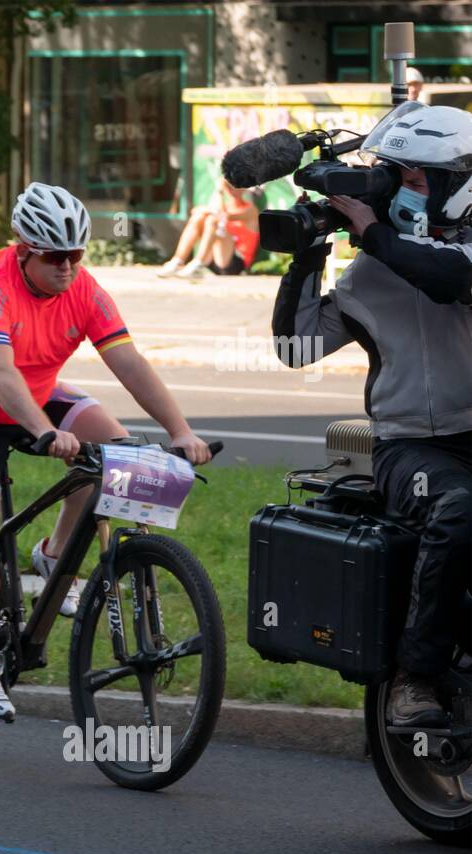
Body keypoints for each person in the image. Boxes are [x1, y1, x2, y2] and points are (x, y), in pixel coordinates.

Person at [0, 182, 212, 722]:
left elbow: (128, 363)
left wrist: (179, 431)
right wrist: (46, 433)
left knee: (117, 450)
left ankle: (54, 554)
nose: (68, 267)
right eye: (56, 257)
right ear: (24, 249)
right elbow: (0, 377)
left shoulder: (86, 291)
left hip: (35, 390)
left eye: (77, 255)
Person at [272, 101, 472, 726]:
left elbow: (443, 278)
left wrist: (371, 233)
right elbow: (297, 345)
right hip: (413, 446)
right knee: (460, 509)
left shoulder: (458, 252)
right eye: (395, 178)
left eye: (414, 181)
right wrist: (308, 254)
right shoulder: (369, 274)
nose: (400, 193)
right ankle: (417, 675)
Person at [158, 178, 258, 279]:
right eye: (229, 187)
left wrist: (218, 194)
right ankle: (177, 261)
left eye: (237, 187)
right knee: (199, 218)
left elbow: (222, 215)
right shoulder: (226, 206)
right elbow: (200, 211)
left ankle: (198, 264)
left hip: (235, 263)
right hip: (216, 259)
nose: (233, 190)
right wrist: (219, 191)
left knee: (213, 220)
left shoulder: (251, 210)